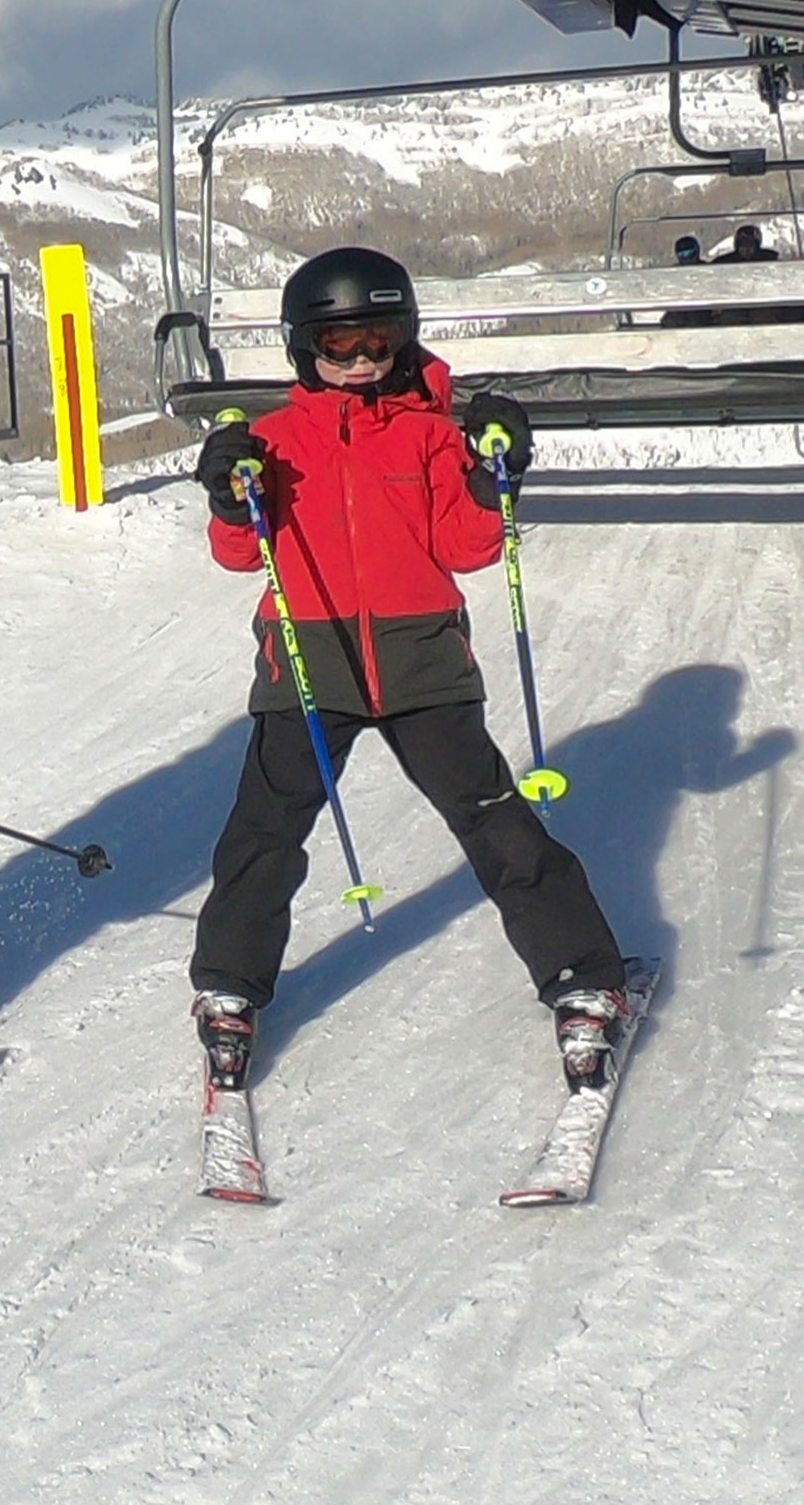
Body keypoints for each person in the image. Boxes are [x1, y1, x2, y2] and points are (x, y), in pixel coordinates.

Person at [188, 246, 633, 1102]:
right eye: (339, 344)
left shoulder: (429, 433)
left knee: (497, 823)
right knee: (264, 835)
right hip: (309, 669)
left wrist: (488, 478)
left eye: (378, 343)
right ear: (301, 346)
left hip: (422, 660)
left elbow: (467, 548)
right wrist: (226, 492)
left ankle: (583, 974)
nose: (359, 363)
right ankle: (231, 987)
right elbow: (240, 555)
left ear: (404, 339)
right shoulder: (272, 442)